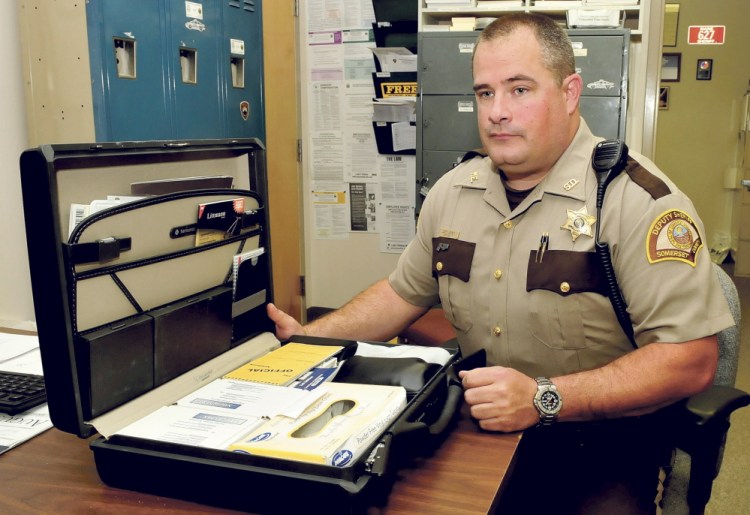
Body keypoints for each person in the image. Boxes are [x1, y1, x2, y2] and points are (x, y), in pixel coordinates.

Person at [268, 13, 733, 514]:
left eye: (519, 90)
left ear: (570, 93)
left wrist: (542, 399)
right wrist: (312, 342)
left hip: (597, 440)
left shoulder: (637, 202)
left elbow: (689, 360)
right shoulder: (454, 191)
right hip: (478, 425)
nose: (496, 112)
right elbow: (401, 294)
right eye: (486, 93)